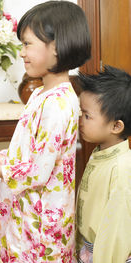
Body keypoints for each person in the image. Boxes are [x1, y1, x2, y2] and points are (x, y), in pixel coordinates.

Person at [0, 1, 91, 262]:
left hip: (42, 221)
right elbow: (24, 152)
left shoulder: (58, 104)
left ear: (58, 47)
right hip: (27, 211)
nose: (22, 52)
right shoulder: (40, 94)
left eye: (27, 44)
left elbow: (37, 170)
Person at [76, 66, 131, 263]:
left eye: (87, 116)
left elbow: (117, 230)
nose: (80, 121)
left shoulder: (122, 168)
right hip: (91, 249)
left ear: (116, 126)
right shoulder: (100, 153)